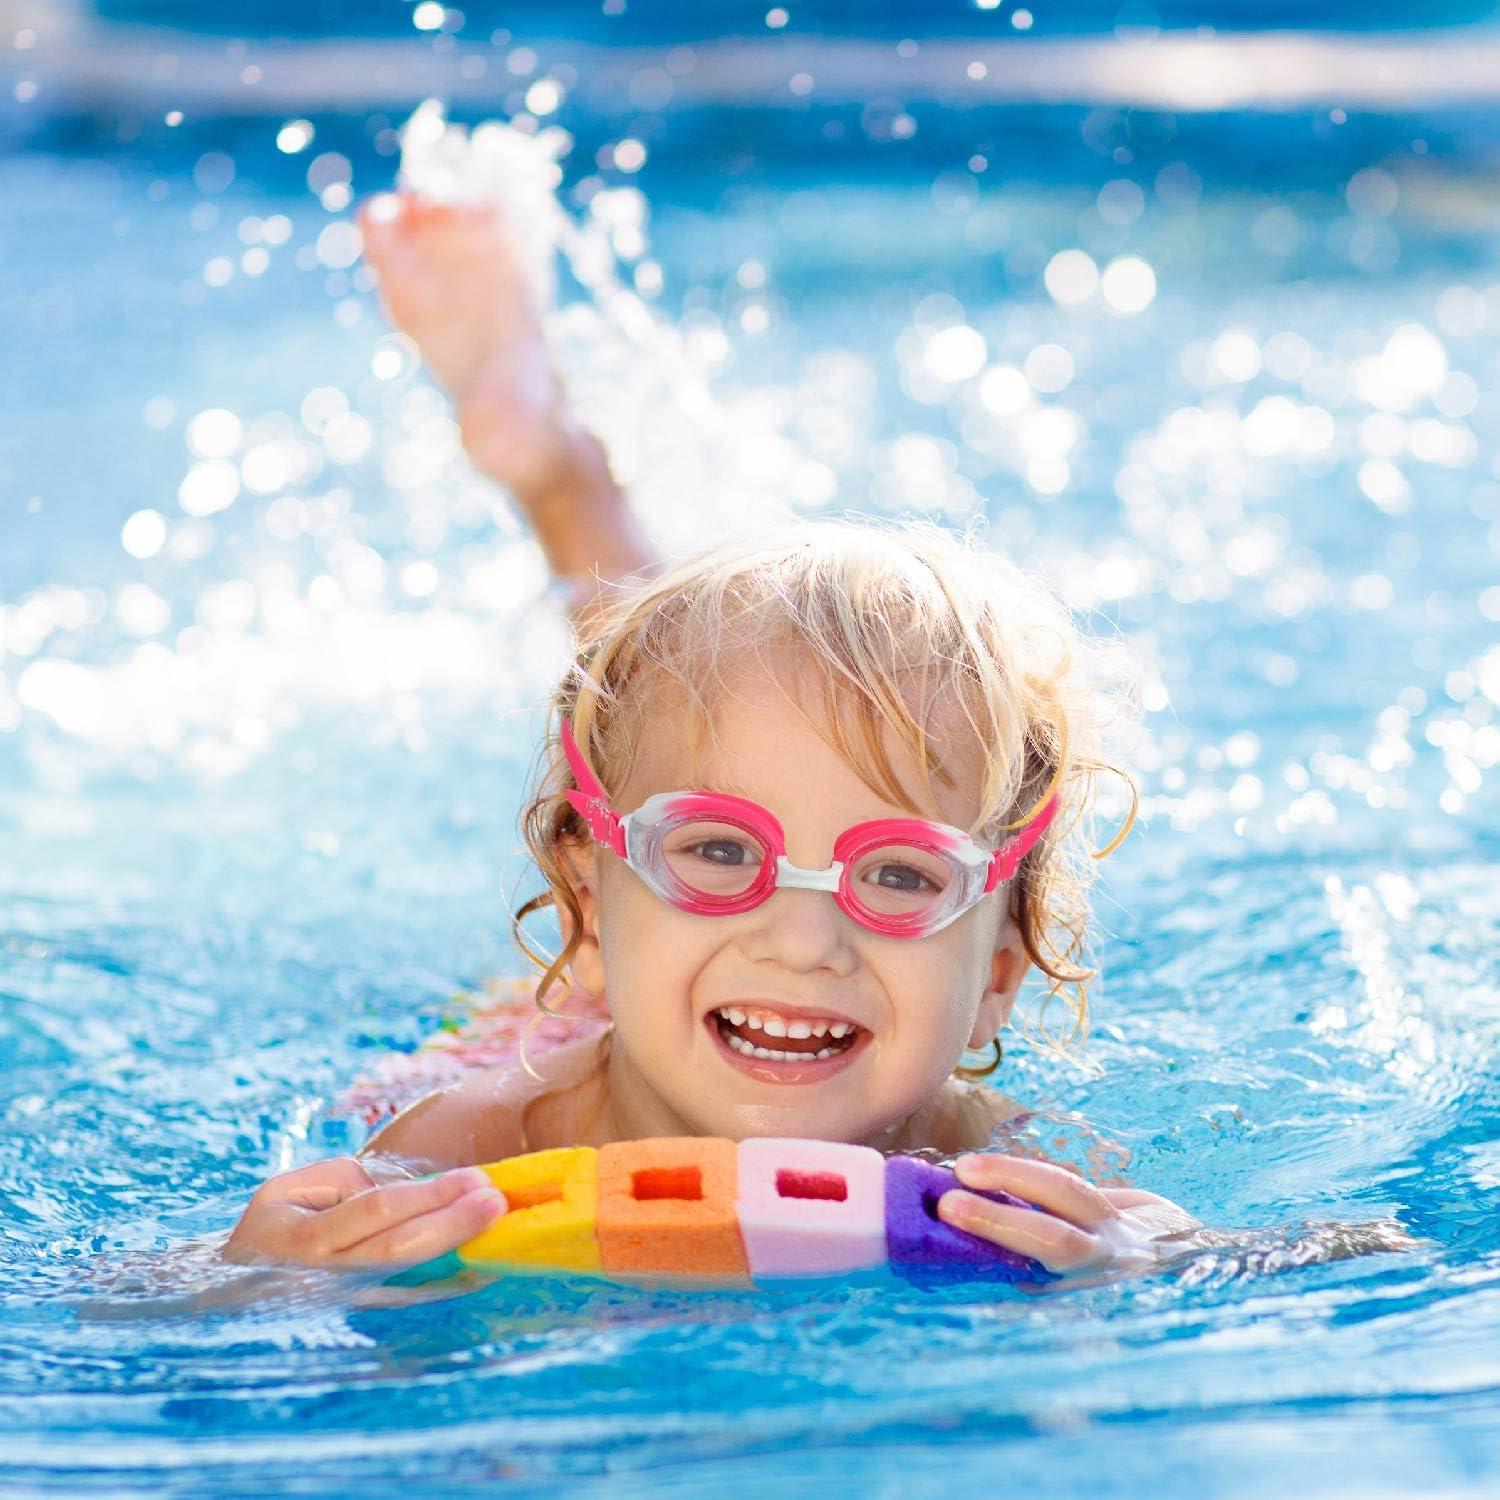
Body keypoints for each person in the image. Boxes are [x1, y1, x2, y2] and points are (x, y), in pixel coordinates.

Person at [218, 190, 1206, 1284]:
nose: (804, 941)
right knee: (654, 705)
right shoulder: (474, 1143)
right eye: (723, 851)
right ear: (583, 913)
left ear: (998, 978)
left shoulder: (1009, 1169)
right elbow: (153, 1312)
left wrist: (1152, 1257)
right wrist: (267, 1271)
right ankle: (556, 467)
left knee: (683, 731)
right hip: (558, 1017)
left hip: (668, 955)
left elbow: (1300, 1260)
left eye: (899, 873)